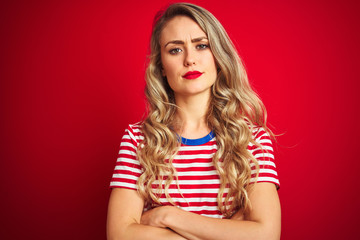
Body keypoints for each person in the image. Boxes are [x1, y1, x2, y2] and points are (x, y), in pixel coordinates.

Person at [107, 2, 280, 240]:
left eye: (201, 45)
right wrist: (228, 232)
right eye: (175, 50)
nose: (190, 59)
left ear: (218, 56)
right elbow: (119, 235)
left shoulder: (252, 140)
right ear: (162, 68)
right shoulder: (138, 140)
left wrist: (168, 216)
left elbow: (267, 235)